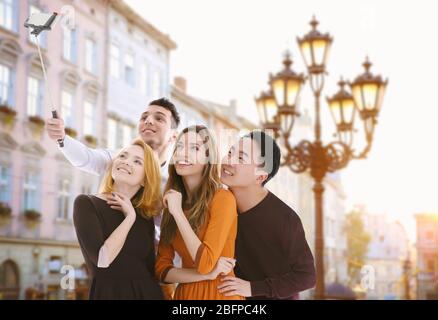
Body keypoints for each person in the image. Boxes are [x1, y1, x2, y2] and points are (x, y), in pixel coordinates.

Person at [47, 97, 180, 246]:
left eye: (159, 118)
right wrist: (61, 137)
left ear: (174, 135)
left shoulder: (177, 177)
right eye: (144, 117)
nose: (148, 121)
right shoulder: (121, 159)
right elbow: (87, 158)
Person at [217, 131, 316, 300]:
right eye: (230, 153)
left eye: (241, 158)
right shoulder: (221, 204)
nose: (228, 161)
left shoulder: (284, 219)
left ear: (261, 176)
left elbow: (307, 277)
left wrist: (251, 288)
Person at [155, 125, 243, 300]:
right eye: (179, 147)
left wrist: (178, 214)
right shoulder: (172, 202)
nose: (182, 153)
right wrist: (204, 276)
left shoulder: (223, 198)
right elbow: (161, 270)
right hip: (185, 295)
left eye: (194, 148)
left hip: (220, 295)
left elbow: (206, 263)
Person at [73, 138, 163, 300]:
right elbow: (103, 259)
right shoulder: (86, 204)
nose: (126, 162)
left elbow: (152, 269)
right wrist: (129, 218)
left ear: (145, 179)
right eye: (122, 156)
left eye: (137, 161)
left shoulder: (145, 215)